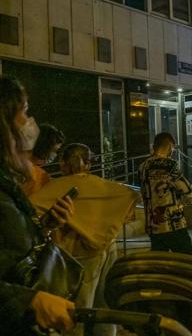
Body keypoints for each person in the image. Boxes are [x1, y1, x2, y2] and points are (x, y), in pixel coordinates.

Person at [30, 143, 138, 336]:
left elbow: (31, 210)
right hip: (108, 248)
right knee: (105, 308)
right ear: (87, 163)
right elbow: (130, 197)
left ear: (63, 164)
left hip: (79, 255)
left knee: (77, 313)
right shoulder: (102, 186)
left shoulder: (55, 188)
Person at [0, 75, 76, 335]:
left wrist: (45, 226)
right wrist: (27, 300)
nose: (29, 122)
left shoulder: (7, 179)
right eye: (24, 111)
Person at [139, 132, 192, 254]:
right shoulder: (170, 165)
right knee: (187, 260)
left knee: (160, 263)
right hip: (173, 222)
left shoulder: (143, 166)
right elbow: (187, 189)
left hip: (153, 224)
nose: (172, 151)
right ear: (169, 146)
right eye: (172, 148)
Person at [22, 123, 66, 196]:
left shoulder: (15, 162)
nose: (53, 156)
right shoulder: (40, 176)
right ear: (44, 148)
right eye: (52, 151)